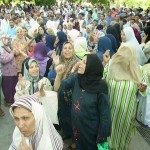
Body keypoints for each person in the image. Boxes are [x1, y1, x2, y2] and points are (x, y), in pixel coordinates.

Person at [54, 54, 111, 150]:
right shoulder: (78, 78)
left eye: (84, 62)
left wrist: (102, 136)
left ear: (91, 66)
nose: (80, 63)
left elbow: (105, 115)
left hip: (91, 131)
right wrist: (62, 74)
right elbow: (60, 87)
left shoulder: (101, 87)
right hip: (77, 129)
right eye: (81, 61)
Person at [102, 43, 148, 150]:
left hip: (127, 113)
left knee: (123, 136)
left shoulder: (139, 70)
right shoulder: (110, 66)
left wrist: (143, 89)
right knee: (108, 135)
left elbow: (144, 91)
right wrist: (105, 63)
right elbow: (101, 81)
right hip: (109, 110)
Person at [0, 35, 17, 106]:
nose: (9, 41)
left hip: (13, 71)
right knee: (8, 87)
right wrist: (12, 53)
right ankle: (8, 101)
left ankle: (12, 99)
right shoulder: (1, 49)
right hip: (7, 72)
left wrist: (12, 52)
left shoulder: (7, 47)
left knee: (13, 86)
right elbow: (4, 60)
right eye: (7, 39)